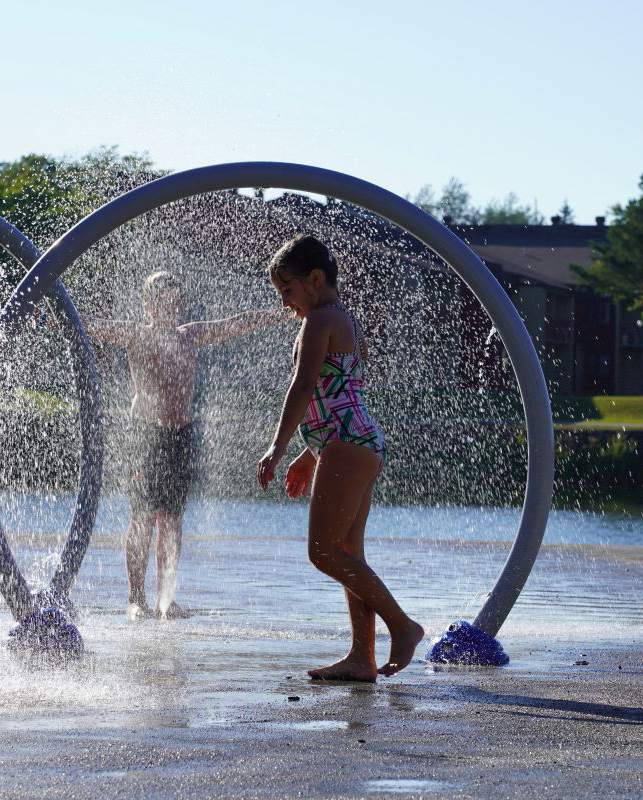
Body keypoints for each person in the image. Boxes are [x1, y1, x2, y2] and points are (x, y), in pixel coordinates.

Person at [257, 234, 424, 680]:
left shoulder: (319, 321)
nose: (286, 304)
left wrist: (279, 445)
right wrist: (312, 455)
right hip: (357, 440)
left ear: (314, 279)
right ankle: (361, 658)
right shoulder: (344, 319)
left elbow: (305, 386)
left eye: (287, 291)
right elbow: (341, 395)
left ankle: (403, 627)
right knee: (348, 550)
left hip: (347, 444)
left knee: (323, 551)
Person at [85, 271, 287, 621]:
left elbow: (236, 324)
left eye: (175, 300)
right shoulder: (136, 335)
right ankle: (136, 598)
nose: (170, 306)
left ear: (180, 303)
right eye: (161, 300)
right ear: (147, 306)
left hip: (180, 435)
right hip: (145, 435)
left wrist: (285, 312)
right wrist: (48, 315)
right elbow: (90, 325)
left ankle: (166, 599)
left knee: (173, 520)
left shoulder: (190, 335)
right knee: (143, 517)